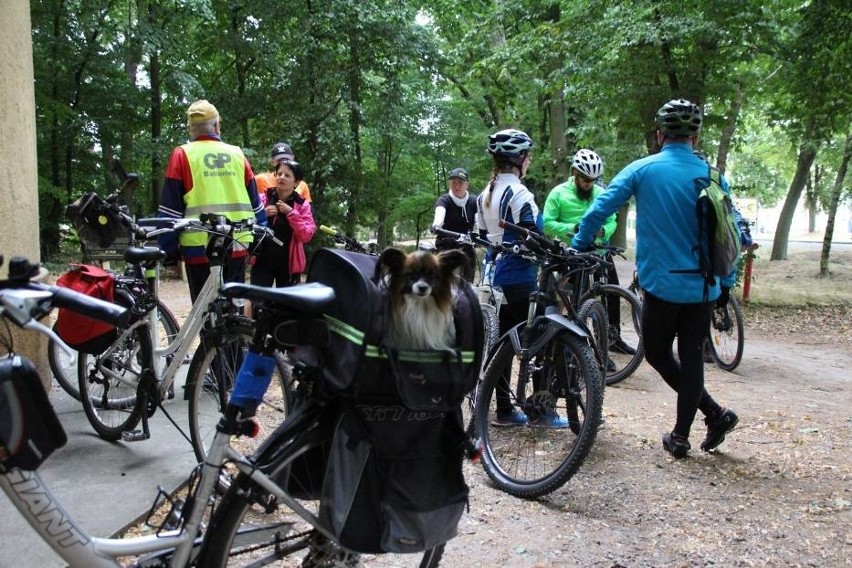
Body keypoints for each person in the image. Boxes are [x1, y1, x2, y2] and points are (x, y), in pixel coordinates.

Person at [572, 99, 738, 458]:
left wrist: (579, 244)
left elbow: (601, 208)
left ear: (660, 134)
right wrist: (727, 282)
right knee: (692, 354)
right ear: (695, 136)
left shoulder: (642, 169)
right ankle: (689, 429)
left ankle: (704, 420)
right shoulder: (712, 174)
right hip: (704, 284)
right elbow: (732, 230)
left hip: (662, 284)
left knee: (659, 353)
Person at [476, 128, 567, 428]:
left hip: (494, 280)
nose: (529, 162)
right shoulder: (520, 193)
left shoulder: (483, 196)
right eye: (528, 157)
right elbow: (530, 235)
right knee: (549, 336)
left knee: (503, 346)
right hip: (520, 278)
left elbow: (482, 237)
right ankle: (541, 411)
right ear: (520, 159)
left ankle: (504, 410)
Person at [157, 99, 266, 302]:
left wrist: (168, 249)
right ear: (217, 126)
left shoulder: (182, 155)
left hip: (197, 245)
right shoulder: (237, 154)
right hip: (237, 242)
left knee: (205, 311)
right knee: (235, 308)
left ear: (190, 129)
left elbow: (170, 210)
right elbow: (256, 202)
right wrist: (259, 239)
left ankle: (209, 334)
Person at [542, 149, 635, 359]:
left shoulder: (601, 193)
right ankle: (578, 346)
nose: (588, 184)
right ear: (574, 172)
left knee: (611, 294)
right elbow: (547, 224)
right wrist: (572, 228)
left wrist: (604, 231)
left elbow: (612, 220)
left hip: (600, 251)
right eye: (584, 179)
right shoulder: (558, 193)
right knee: (575, 299)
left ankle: (613, 339)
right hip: (572, 253)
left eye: (592, 180)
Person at [251, 160, 316, 287]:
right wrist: (261, 214)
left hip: (289, 264)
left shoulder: (302, 204)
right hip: (262, 260)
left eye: (287, 175)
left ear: (296, 182)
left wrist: (292, 213)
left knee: (285, 305)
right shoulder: (263, 198)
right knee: (257, 301)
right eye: (279, 174)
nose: (281, 177)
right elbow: (247, 222)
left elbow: (307, 235)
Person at [432, 167, 477, 280]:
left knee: (469, 281)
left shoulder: (473, 201)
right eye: (453, 183)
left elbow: (480, 220)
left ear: (467, 184)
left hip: (467, 246)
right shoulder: (444, 200)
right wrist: (436, 225)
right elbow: (439, 215)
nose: (456, 186)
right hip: (446, 245)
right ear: (449, 184)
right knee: (444, 281)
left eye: (460, 183)